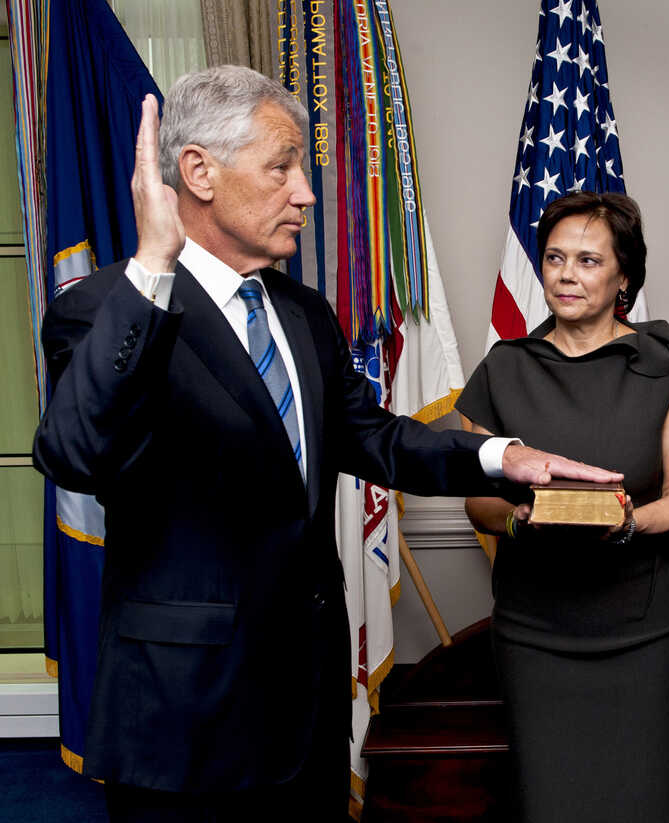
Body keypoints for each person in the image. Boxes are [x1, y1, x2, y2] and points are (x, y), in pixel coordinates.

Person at [32, 65, 622, 822]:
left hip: (308, 711)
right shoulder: (105, 309)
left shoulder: (305, 312)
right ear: (198, 172)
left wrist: (498, 457)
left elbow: (369, 435)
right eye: (282, 165)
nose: (306, 191)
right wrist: (152, 267)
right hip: (184, 723)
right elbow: (75, 451)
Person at [456, 191, 669, 823]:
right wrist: (520, 517)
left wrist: (628, 523)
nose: (567, 275)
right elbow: (479, 505)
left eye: (590, 261)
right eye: (555, 258)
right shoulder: (502, 368)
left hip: (642, 634)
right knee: (551, 803)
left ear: (625, 275)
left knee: (644, 802)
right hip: (536, 634)